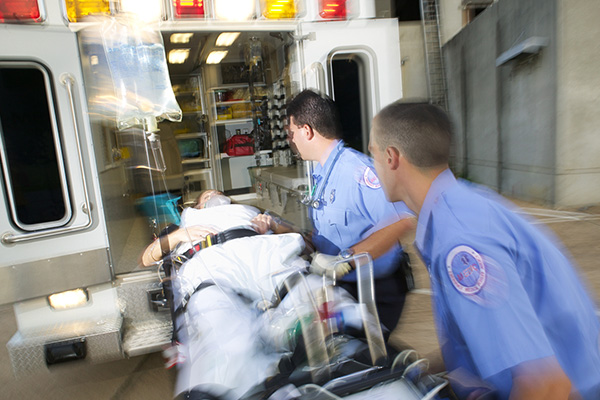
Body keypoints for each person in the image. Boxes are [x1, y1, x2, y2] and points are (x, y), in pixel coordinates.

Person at [368, 102, 600, 399]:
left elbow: (546, 386)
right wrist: (421, 372)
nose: (372, 163)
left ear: (391, 158)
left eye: (373, 152)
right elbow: (478, 337)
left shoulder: (459, 243)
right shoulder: (461, 204)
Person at [270, 89, 416, 335]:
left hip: (376, 290)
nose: (291, 140)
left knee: (359, 359)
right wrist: (284, 231)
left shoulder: (357, 172)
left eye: (292, 133)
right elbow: (326, 238)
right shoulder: (323, 173)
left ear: (307, 131)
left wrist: (347, 259)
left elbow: (402, 219)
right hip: (344, 287)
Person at [140, 190, 272, 267]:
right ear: (198, 207)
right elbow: (147, 259)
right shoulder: (183, 226)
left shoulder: (247, 213)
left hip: (254, 253)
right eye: (208, 196)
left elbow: (289, 232)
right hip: (210, 265)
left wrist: (270, 224)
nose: (215, 197)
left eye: (219, 194)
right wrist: (178, 236)